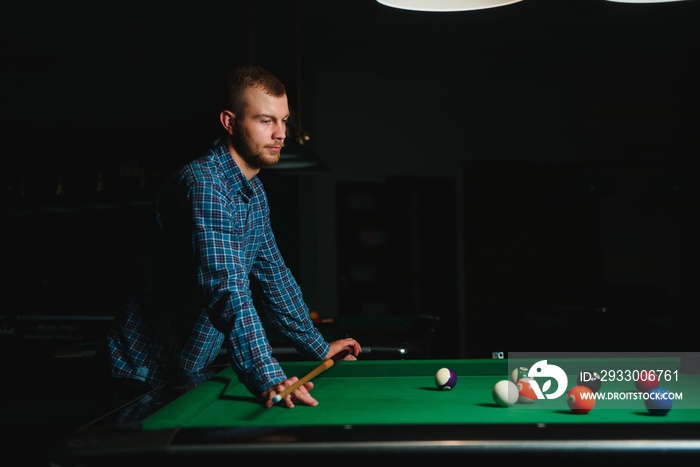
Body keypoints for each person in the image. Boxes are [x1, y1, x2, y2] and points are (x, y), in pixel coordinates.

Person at [96, 64, 361, 410]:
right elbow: (226, 287)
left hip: (185, 370)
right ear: (229, 122)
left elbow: (274, 278)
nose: (281, 133)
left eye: (284, 120)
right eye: (266, 120)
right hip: (140, 373)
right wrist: (267, 374)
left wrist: (317, 347)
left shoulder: (254, 191)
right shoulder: (204, 185)